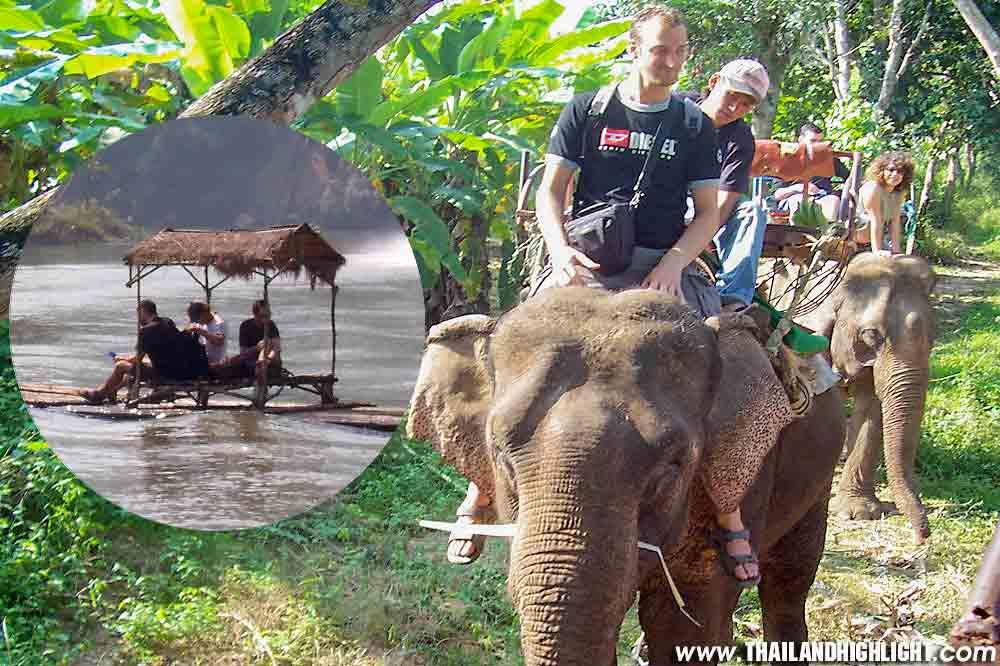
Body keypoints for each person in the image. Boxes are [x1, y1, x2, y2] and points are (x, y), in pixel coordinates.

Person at [446, 7, 762, 589]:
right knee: (515, 351)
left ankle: (726, 507)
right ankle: (484, 485)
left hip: (666, 266)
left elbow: (710, 213)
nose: (669, 62)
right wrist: (560, 252)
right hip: (584, 259)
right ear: (633, 46)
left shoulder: (694, 124)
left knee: (719, 369)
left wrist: (674, 264)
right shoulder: (587, 110)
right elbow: (550, 191)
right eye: (659, 50)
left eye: (679, 53)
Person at [683, 59, 769, 311]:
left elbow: (723, 203)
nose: (734, 108)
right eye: (732, 96)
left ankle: (733, 297)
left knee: (751, 211)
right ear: (714, 82)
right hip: (661, 196)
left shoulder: (740, 140)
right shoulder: (676, 109)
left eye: (745, 104)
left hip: (703, 206)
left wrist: (697, 237)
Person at [80, 300, 209, 403]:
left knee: (121, 366)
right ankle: (111, 391)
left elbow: (137, 359)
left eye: (138, 314)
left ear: (143, 312)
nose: (138, 319)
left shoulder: (145, 331)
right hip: (180, 369)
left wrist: (121, 358)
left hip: (164, 374)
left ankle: (98, 395)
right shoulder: (168, 322)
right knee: (134, 365)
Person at [773, 123, 851, 221]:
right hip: (794, 198)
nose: (817, 145)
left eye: (820, 142)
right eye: (813, 141)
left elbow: (851, 178)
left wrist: (842, 193)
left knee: (834, 201)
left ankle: (829, 234)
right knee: (799, 202)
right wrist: (799, 188)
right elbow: (777, 194)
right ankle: (801, 234)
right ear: (801, 140)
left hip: (822, 198)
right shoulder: (786, 160)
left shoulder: (829, 159)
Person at [855, 151, 914, 254]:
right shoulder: (873, 188)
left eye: (900, 171)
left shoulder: (899, 193)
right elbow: (875, 220)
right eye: (891, 170)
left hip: (879, 236)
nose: (895, 174)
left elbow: (895, 222)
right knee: (873, 221)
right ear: (881, 171)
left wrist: (896, 251)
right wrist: (877, 251)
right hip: (860, 233)